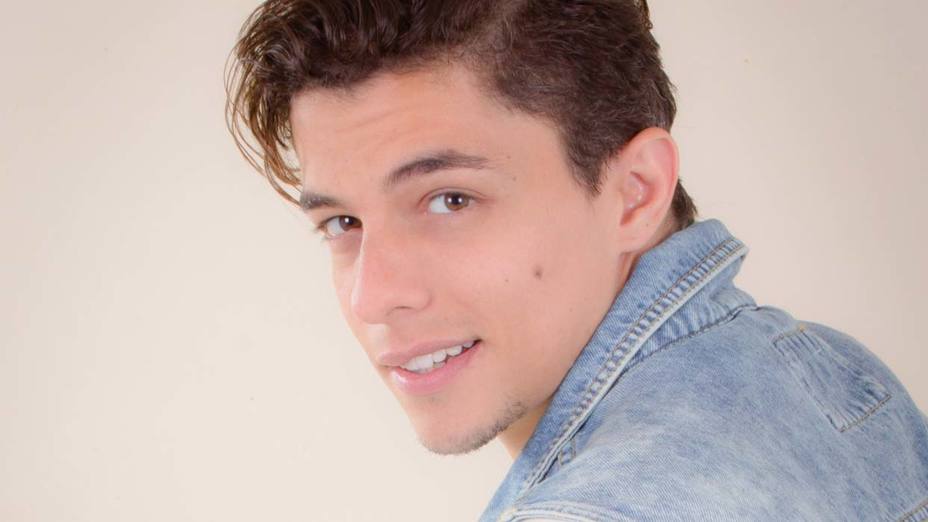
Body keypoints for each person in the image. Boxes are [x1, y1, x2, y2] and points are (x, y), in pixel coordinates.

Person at [224, 1, 928, 520]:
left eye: (449, 200)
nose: (373, 296)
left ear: (635, 192)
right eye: (342, 223)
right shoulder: (839, 380)